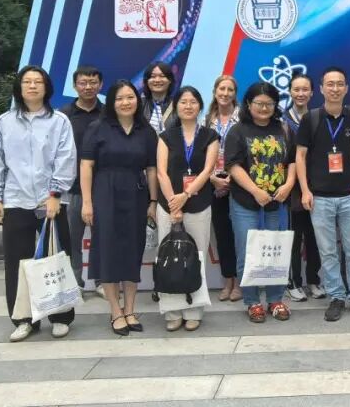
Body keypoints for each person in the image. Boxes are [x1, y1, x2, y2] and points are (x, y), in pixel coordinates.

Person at [0, 66, 77, 342]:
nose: (32, 86)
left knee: (56, 259)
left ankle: (60, 317)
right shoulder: (4, 123)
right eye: (27, 82)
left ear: (46, 88)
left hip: (50, 202)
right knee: (17, 263)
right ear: (19, 88)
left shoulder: (59, 121)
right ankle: (24, 319)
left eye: (38, 82)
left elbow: (66, 158)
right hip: (16, 201)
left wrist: (55, 194)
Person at [79, 80, 159, 336]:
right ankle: (115, 310)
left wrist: (153, 201)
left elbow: (152, 169)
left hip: (136, 195)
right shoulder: (98, 128)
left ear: (138, 100)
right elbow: (86, 166)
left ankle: (130, 309)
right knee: (108, 252)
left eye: (130, 97)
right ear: (112, 103)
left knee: (132, 252)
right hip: (105, 193)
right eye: (120, 98)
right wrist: (87, 202)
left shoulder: (146, 131)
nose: (126, 102)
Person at [295, 67, 350, 322]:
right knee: (328, 252)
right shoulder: (311, 119)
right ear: (321, 88)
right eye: (330, 84)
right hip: (319, 198)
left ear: (347, 88)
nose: (335, 88)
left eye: (340, 84)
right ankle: (336, 297)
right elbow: (300, 156)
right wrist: (305, 190)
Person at [225, 82, 298, 323]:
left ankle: (276, 299)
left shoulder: (284, 129)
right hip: (245, 202)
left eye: (269, 104)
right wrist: (255, 191)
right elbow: (233, 166)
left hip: (277, 203)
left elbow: (292, 161)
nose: (264, 108)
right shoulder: (238, 131)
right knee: (247, 253)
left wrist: (288, 184)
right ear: (248, 104)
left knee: (276, 251)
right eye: (259, 103)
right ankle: (252, 301)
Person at [156, 86, 219, 331]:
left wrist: (186, 195)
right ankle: (172, 311)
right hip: (168, 205)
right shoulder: (166, 136)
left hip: (198, 204)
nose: (188, 106)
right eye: (183, 102)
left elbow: (207, 170)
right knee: (168, 257)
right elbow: (161, 172)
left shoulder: (210, 136)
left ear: (200, 106)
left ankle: (194, 310)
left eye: (193, 101)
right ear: (176, 106)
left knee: (196, 257)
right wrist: (174, 203)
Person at [58, 66, 103, 291]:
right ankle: (75, 285)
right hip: (72, 188)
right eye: (83, 82)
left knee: (102, 238)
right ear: (75, 86)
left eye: (93, 82)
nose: (88, 87)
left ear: (100, 85)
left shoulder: (108, 114)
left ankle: (102, 282)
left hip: (103, 188)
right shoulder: (63, 115)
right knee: (71, 240)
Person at [283, 73, 325, 301]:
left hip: (317, 186)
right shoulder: (281, 121)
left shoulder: (318, 118)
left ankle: (314, 280)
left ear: (312, 92)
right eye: (296, 89)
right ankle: (293, 282)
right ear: (290, 92)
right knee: (294, 236)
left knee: (315, 236)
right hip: (292, 189)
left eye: (305, 89)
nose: (300, 94)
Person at [205, 74, 241, 302]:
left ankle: (239, 282)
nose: (225, 93)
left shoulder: (243, 118)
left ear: (235, 94)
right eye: (222, 89)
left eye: (230, 90)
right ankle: (227, 280)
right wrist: (211, 178)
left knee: (240, 234)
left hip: (239, 183)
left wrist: (234, 177)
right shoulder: (207, 119)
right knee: (223, 235)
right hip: (214, 184)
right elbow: (201, 153)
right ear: (215, 91)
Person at [142, 61, 177, 133]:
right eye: (153, 76)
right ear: (147, 81)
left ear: (170, 80)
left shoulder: (177, 106)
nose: (157, 80)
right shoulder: (139, 104)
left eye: (162, 76)